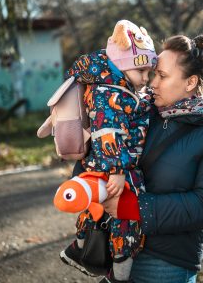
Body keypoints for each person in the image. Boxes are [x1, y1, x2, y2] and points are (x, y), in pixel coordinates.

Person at [100, 34, 203, 283]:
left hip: (166, 262)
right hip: (119, 248)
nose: (152, 82)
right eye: (153, 73)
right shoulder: (141, 115)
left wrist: (133, 208)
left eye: (162, 76)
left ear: (190, 82)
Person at [59, 20, 157, 283]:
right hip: (117, 166)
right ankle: (119, 275)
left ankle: (78, 248)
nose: (146, 79)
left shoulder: (116, 86)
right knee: (128, 217)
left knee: (97, 209)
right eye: (142, 72)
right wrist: (117, 171)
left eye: (149, 72)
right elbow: (108, 133)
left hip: (109, 163)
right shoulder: (111, 93)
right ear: (123, 66)